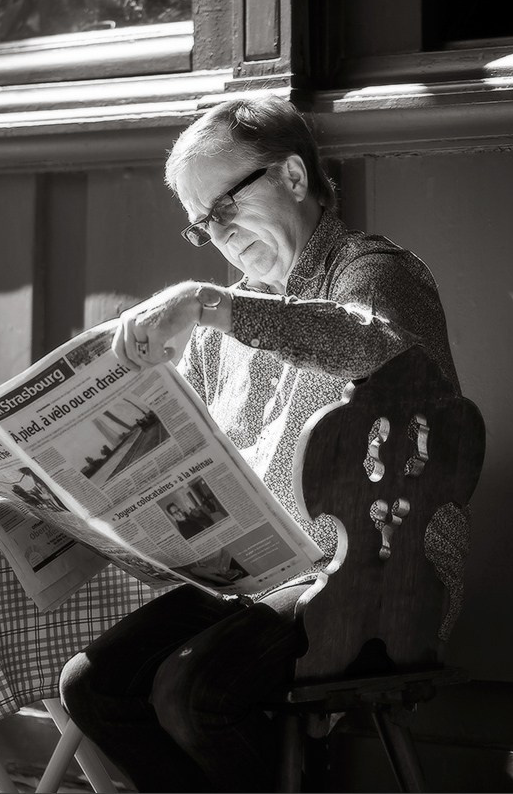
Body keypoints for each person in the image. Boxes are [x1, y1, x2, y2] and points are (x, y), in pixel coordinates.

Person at [58, 95, 463, 793]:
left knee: (196, 691)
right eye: (201, 225)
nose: (218, 234)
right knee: (93, 685)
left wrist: (210, 304)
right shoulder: (223, 325)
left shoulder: (374, 269)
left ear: (294, 178)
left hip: (382, 572)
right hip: (258, 578)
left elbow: (372, 347)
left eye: (224, 206)